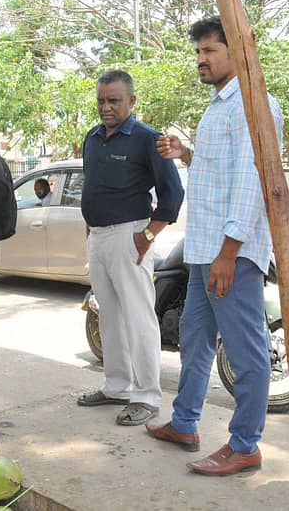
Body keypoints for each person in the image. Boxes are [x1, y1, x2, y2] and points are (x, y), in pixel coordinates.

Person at [149, 16, 283, 476]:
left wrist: (229, 252)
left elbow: (249, 184)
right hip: (205, 249)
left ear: (236, 51)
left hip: (232, 252)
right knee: (194, 339)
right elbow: (219, 170)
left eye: (210, 50)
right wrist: (185, 154)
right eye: (199, 51)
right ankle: (185, 422)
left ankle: (245, 444)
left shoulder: (253, 105)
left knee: (246, 352)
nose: (202, 59)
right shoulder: (219, 106)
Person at [77, 70, 184, 427]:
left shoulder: (146, 139)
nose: (106, 107)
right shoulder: (92, 138)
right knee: (108, 314)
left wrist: (148, 236)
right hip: (98, 237)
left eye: (114, 100)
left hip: (130, 236)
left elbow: (173, 194)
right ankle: (117, 385)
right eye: (101, 100)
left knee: (139, 317)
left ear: (132, 102)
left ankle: (147, 396)